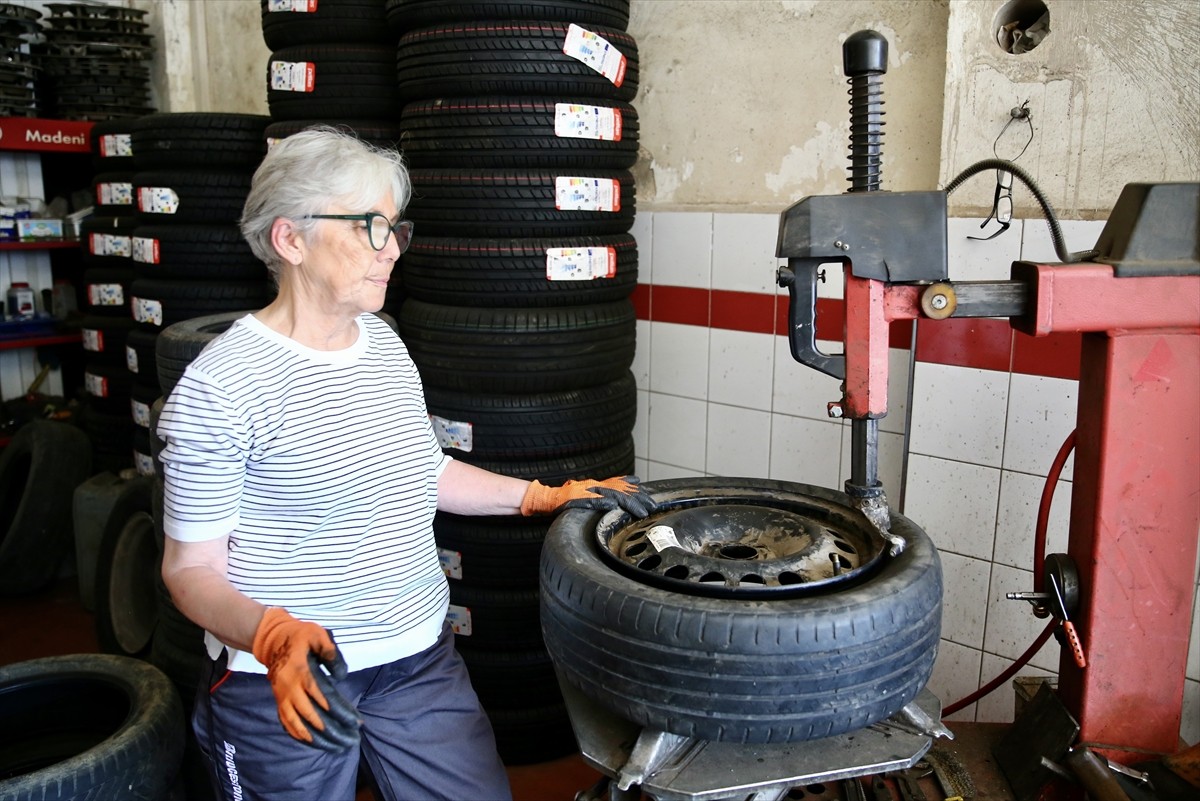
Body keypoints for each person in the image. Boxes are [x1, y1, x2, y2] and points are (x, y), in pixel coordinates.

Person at [157, 126, 655, 801]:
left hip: (416, 655)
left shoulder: (382, 347)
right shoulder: (222, 386)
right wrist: (269, 636)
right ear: (290, 239)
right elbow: (189, 570)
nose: (390, 249)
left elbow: (425, 471)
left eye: (394, 227)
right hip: (286, 678)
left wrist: (540, 495)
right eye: (368, 226)